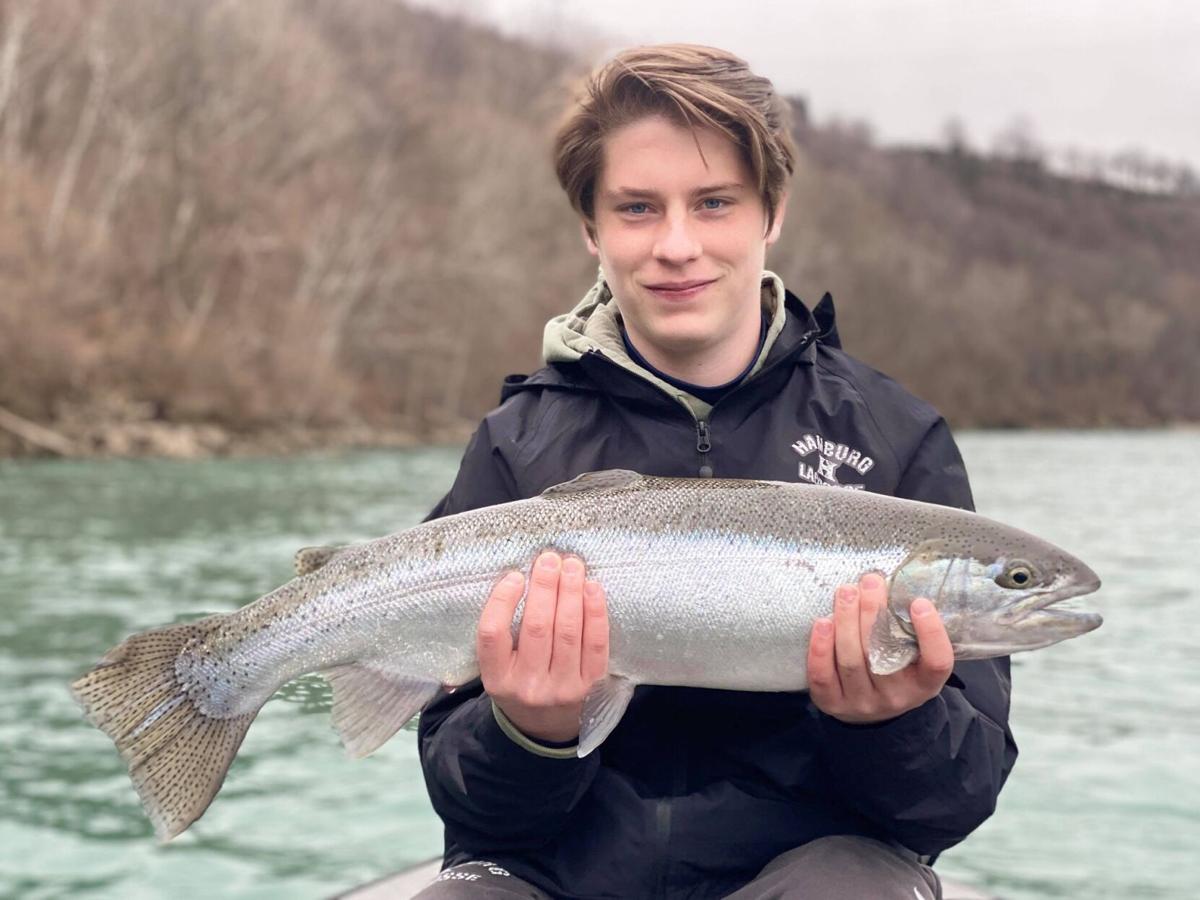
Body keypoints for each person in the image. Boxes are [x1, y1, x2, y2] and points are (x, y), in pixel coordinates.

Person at [415, 44, 1016, 899]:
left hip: (814, 869)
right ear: (591, 229)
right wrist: (530, 729)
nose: (676, 245)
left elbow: (952, 804)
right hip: (556, 871)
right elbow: (469, 803)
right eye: (636, 208)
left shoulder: (896, 439)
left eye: (713, 203)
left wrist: (891, 726)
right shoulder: (516, 447)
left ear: (770, 213)